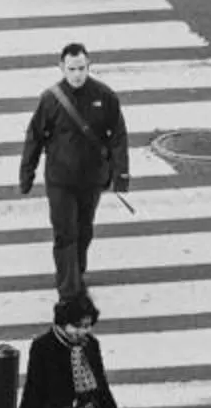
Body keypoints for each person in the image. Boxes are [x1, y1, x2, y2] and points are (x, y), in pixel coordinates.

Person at [18, 40, 129, 297]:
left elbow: (118, 137)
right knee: (65, 232)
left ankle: (76, 272)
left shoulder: (105, 96)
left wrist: (121, 175)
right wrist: (27, 173)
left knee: (84, 230)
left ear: (89, 66)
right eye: (72, 69)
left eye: (81, 68)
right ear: (61, 68)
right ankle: (69, 288)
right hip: (60, 179)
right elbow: (34, 137)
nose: (77, 74)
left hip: (92, 179)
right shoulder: (50, 100)